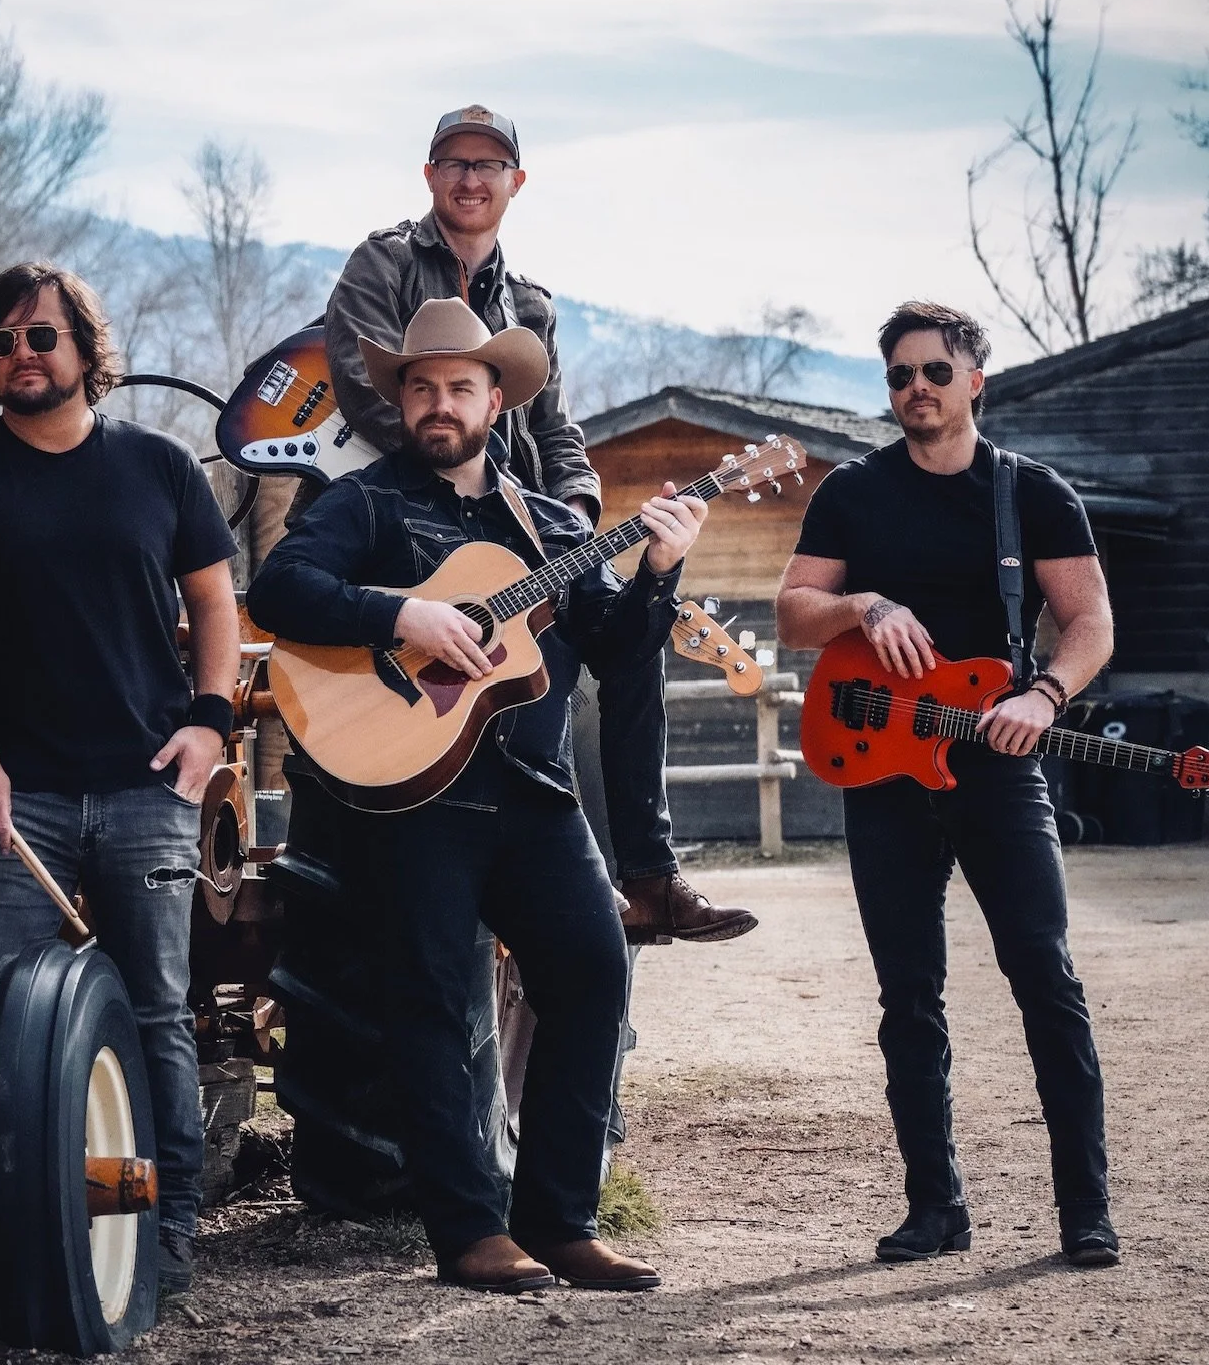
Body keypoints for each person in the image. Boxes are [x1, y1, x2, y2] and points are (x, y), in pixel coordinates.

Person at [249, 297, 710, 1294]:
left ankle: (561, 1221)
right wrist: (404, 610)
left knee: (592, 972)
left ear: (496, 400)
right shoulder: (364, 506)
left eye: (460, 386)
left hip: (534, 795)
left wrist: (661, 569)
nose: (439, 403)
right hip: (414, 801)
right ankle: (466, 1231)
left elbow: (619, 657)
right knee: (425, 1002)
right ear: (403, 400)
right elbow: (280, 592)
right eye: (422, 387)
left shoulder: (548, 526)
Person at [322, 104, 754, 948]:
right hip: (425, 519)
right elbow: (368, 389)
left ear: (516, 182)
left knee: (631, 642)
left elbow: (557, 431)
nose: (471, 178)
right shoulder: (381, 263)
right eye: (454, 162)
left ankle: (647, 874)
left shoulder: (530, 306)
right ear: (430, 176)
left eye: (489, 165)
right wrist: (465, 487)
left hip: (525, 532)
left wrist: (577, 530)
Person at [0, 265, 241, 1298]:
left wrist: (209, 726)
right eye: (0, 343)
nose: (20, 357)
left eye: (40, 338)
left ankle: (170, 1231)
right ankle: (3, 1236)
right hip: (22, 799)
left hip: (148, 786)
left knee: (154, 1013)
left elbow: (217, 607)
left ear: (88, 354)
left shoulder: (161, 468)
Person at [776, 300, 1120, 1270]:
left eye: (933, 372)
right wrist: (862, 602)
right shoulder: (852, 492)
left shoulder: (1032, 496)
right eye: (898, 377)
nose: (915, 391)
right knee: (907, 997)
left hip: (998, 762)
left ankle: (1085, 1211)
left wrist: (1047, 697)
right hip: (882, 766)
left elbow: (1090, 621)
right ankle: (936, 1207)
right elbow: (796, 615)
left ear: (976, 378)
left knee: (1045, 980)